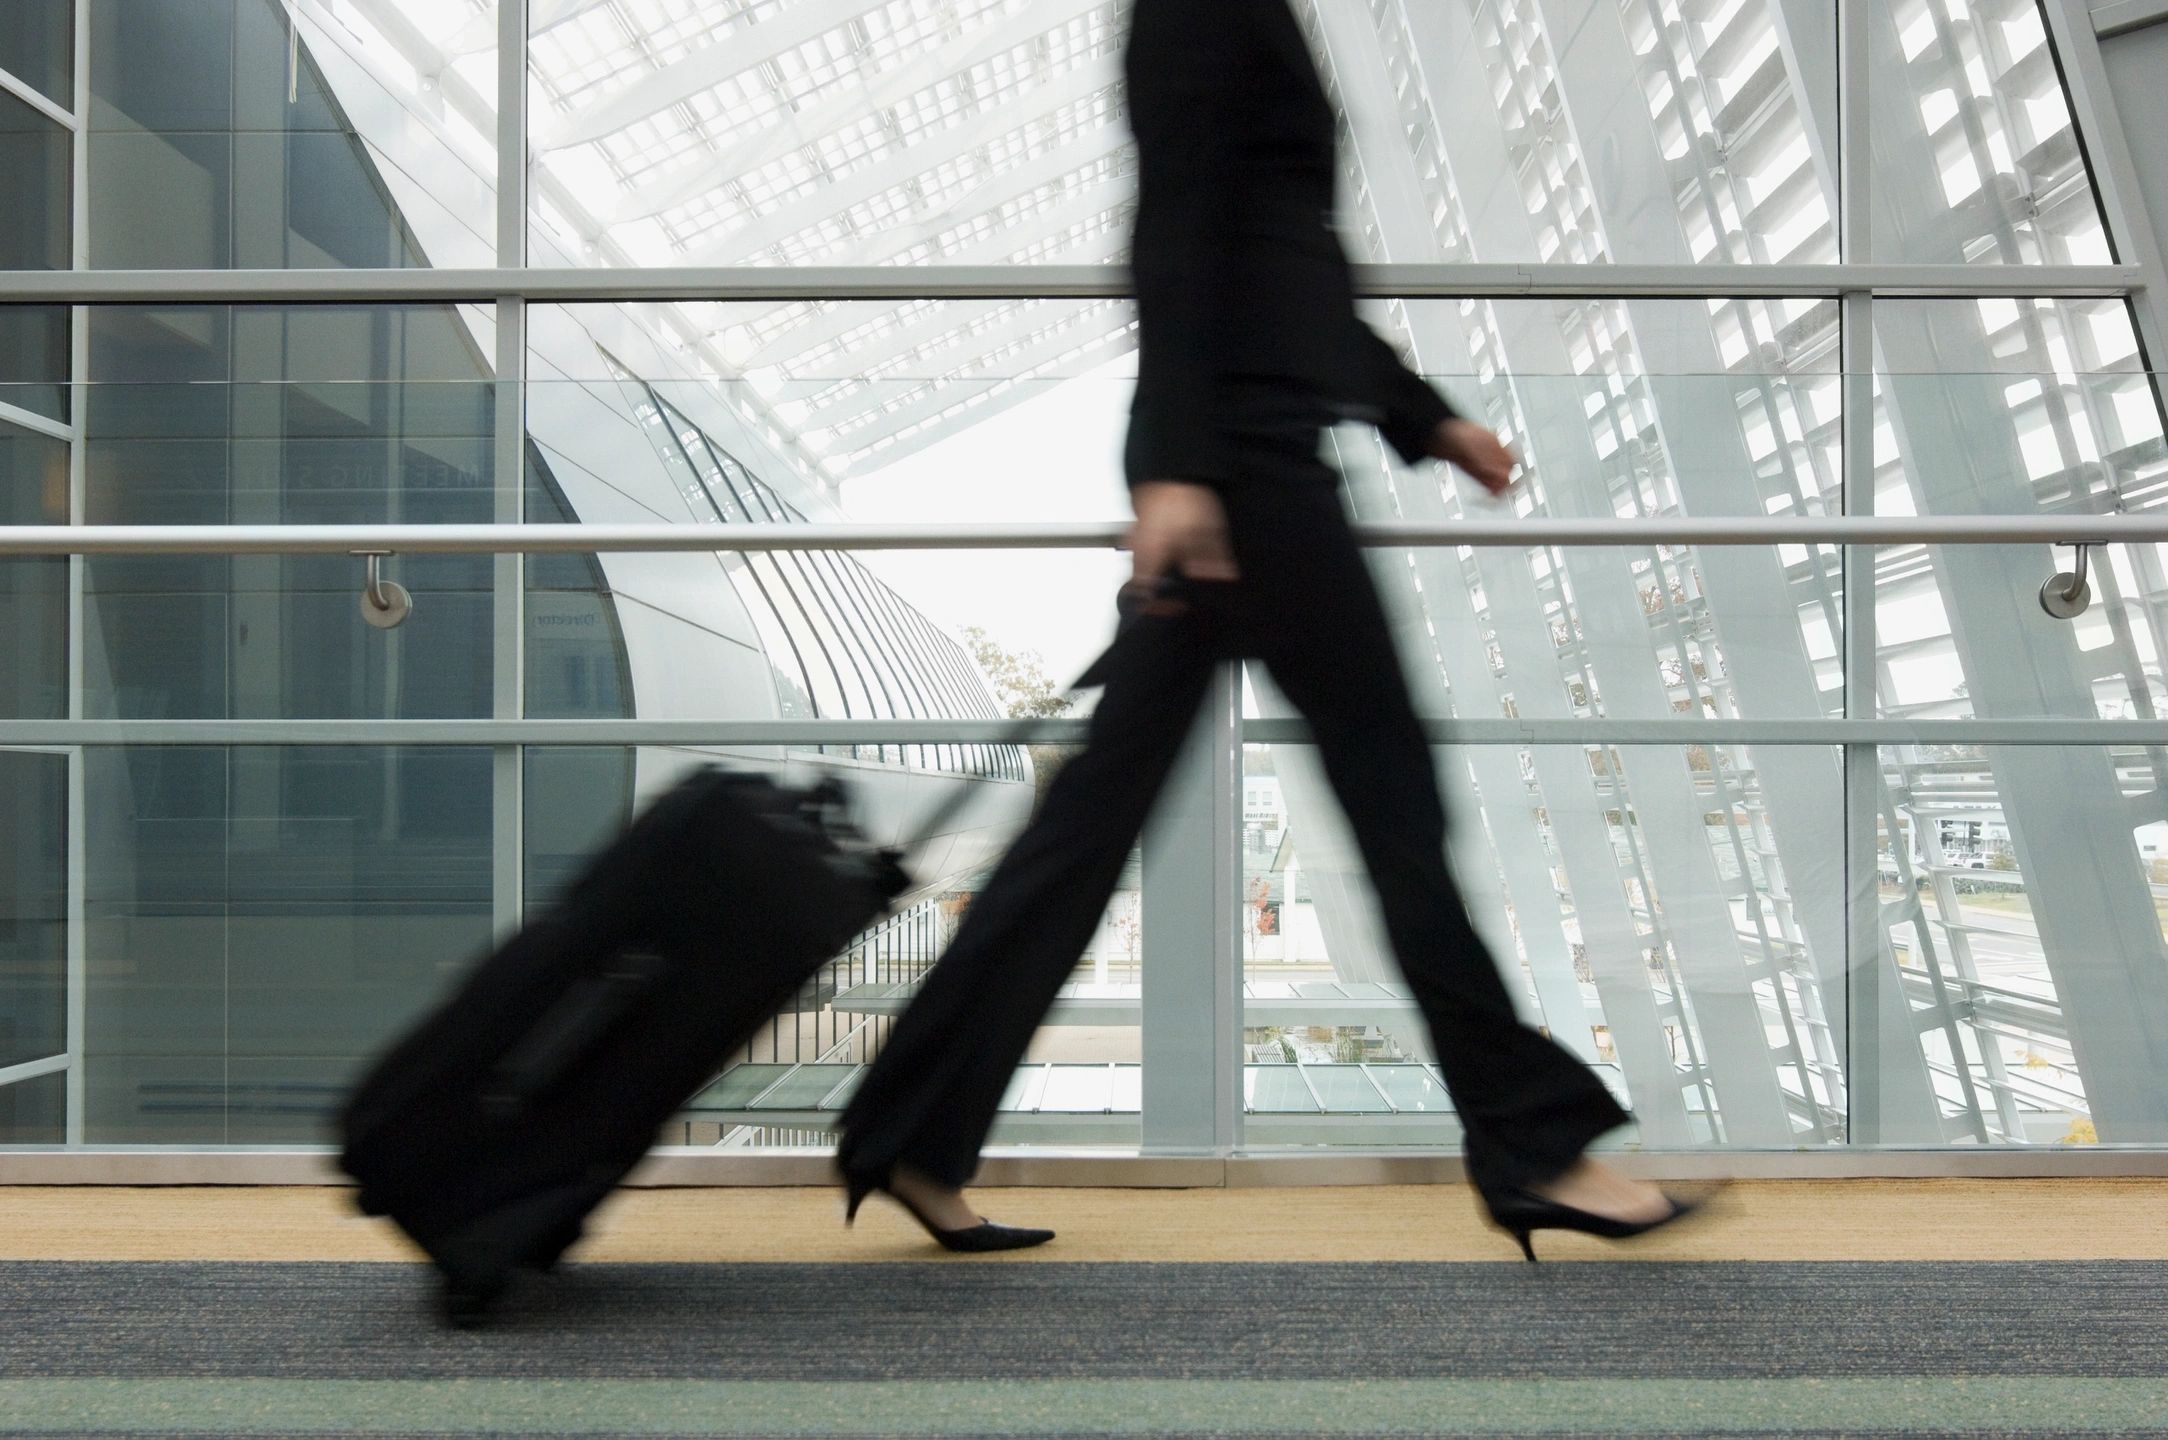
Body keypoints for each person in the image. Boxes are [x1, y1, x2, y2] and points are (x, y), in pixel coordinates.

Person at [835, 0, 1691, 1259]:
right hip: (1245, 485)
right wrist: (1174, 469)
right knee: (1395, 815)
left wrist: (1421, 417)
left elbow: (1278, 255)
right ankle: (1532, 1146)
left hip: (1246, 465)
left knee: (1085, 833)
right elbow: (1175, 229)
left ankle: (912, 1131)